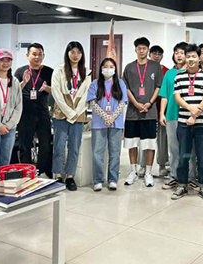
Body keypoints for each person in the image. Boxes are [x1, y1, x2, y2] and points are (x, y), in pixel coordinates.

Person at [171, 44, 203, 202]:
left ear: (199, 58)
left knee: (202, 157)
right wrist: (191, 109)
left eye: (193, 56)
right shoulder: (179, 77)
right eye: (188, 56)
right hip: (184, 124)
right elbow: (177, 98)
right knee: (184, 155)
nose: (190, 59)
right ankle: (182, 184)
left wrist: (195, 115)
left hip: (202, 124)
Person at [122, 37, 163, 187]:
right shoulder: (129, 67)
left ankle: (148, 173)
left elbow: (158, 86)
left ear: (148, 50)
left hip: (150, 112)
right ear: (135, 49)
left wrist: (150, 102)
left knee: (149, 143)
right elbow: (126, 88)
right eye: (139, 48)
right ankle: (133, 171)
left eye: (144, 48)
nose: (141, 51)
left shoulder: (155, 66)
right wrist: (135, 103)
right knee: (132, 143)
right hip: (133, 112)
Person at [50, 42, 91, 190]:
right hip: (61, 113)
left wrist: (76, 112)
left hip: (78, 114)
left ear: (82, 55)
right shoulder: (59, 70)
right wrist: (69, 112)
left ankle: (70, 176)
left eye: (78, 52)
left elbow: (86, 95)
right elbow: (56, 93)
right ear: (67, 53)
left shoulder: (87, 72)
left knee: (74, 147)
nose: (75, 55)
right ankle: (57, 175)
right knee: (59, 146)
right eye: (72, 52)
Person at [88, 58, 128, 191]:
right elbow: (92, 103)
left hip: (116, 123)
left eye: (111, 66)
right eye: (105, 66)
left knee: (115, 153)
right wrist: (106, 117)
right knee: (97, 153)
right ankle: (98, 180)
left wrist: (112, 118)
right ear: (101, 69)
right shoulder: (95, 83)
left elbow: (122, 103)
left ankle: (113, 179)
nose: (108, 69)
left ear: (115, 69)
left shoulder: (120, 83)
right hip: (99, 124)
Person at [14, 43, 53, 178]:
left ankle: (43, 171)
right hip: (25, 113)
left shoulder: (49, 72)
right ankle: (26, 172)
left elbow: (57, 91)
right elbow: (14, 91)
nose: (37, 57)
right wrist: (24, 83)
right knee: (25, 144)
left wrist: (47, 88)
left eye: (40, 54)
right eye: (34, 54)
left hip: (43, 113)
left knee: (45, 144)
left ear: (43, 56)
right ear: (27, 56)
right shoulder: (20, 72)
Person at [159, 42, 187, 189]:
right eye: (176, 53)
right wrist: (161, 113)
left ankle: (190, 176)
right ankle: (174, 175)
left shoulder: (192, 72)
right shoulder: (169, 74)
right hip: (171, 114)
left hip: (187, 115)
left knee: (188, 149)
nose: (179, 55)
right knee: (173, 148)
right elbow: (164, 95)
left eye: (182, 53)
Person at [149, 44, 169, 178]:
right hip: (147, 109)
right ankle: (143, 166)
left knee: (162, 140)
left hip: (162, 109)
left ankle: (162, 164)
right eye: (154, 53)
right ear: (150, 55)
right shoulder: (145, 69)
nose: (156, 56)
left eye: (159, 54)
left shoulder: (166, 71)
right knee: (147, 139)